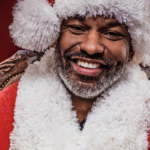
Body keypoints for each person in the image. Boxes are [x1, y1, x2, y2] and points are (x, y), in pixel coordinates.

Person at [0, 0, 150, 149]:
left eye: (111, 33)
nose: (91, 48)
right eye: (77, 28)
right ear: (55, 38)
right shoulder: (4, 107)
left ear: (132, 49)